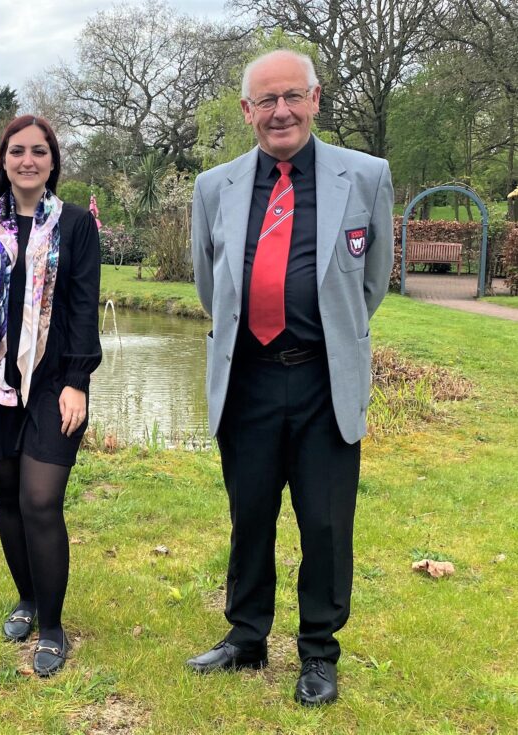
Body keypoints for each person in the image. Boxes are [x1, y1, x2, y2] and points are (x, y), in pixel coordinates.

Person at [189, 49, 394, 706]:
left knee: (325, 523)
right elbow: (207, 284)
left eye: (291, 97)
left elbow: (370, 283)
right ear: (247, 111)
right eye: (265, 101)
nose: (280, 112)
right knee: (249, 515)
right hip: (246, 378)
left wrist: (325, 336)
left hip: (320, 380)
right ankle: (245, 637)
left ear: (314, 98)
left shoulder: (364, 177)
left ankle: (317, 651)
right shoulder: (212, 187)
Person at [0, 116, 101, 677]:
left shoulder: (76, 226)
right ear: (3, 161)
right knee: (8, 497)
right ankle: (27, 600)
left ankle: (53, 627)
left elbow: (83, 308)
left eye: (39, 151)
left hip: (54, 383)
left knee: (40, 500)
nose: (27, 160)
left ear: (53, 161)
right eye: (17, 151)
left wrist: (78, 381)